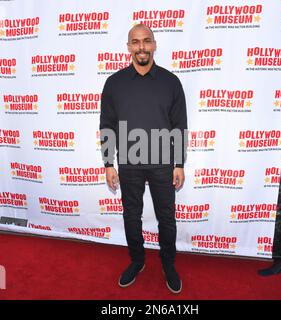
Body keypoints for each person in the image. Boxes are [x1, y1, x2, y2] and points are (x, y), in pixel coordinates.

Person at [100, 24, 187, 294]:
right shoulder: (114, 83)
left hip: (163, 162)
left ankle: (168, 265)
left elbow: (179, 126)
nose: (141, 47)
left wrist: (179, 164)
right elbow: (107, 125)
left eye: (146, 41)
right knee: (131, 216)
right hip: (128, 162)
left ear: (154, 45)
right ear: (128, 47)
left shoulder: (171, 82)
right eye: (136, 42)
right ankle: (137, 261)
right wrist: (108, 164)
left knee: (167, 218)